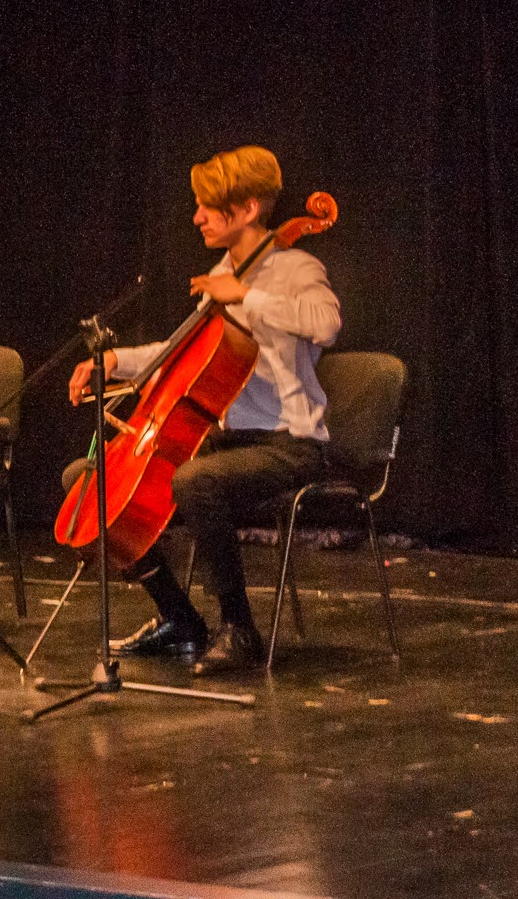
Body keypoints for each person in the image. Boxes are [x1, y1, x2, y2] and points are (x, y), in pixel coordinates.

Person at [66, 145, 341, 675]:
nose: (196, 217)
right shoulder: (223, 270)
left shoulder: (297, 266)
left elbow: (327, 324)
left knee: (196, 482)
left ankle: (240, 629)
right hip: (228, 439)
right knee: (87, 483)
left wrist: (247, 296)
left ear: (247, 210)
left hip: (291, 443)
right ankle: (180, 618)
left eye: (207, 207)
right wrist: (113, 360)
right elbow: (179, 350)